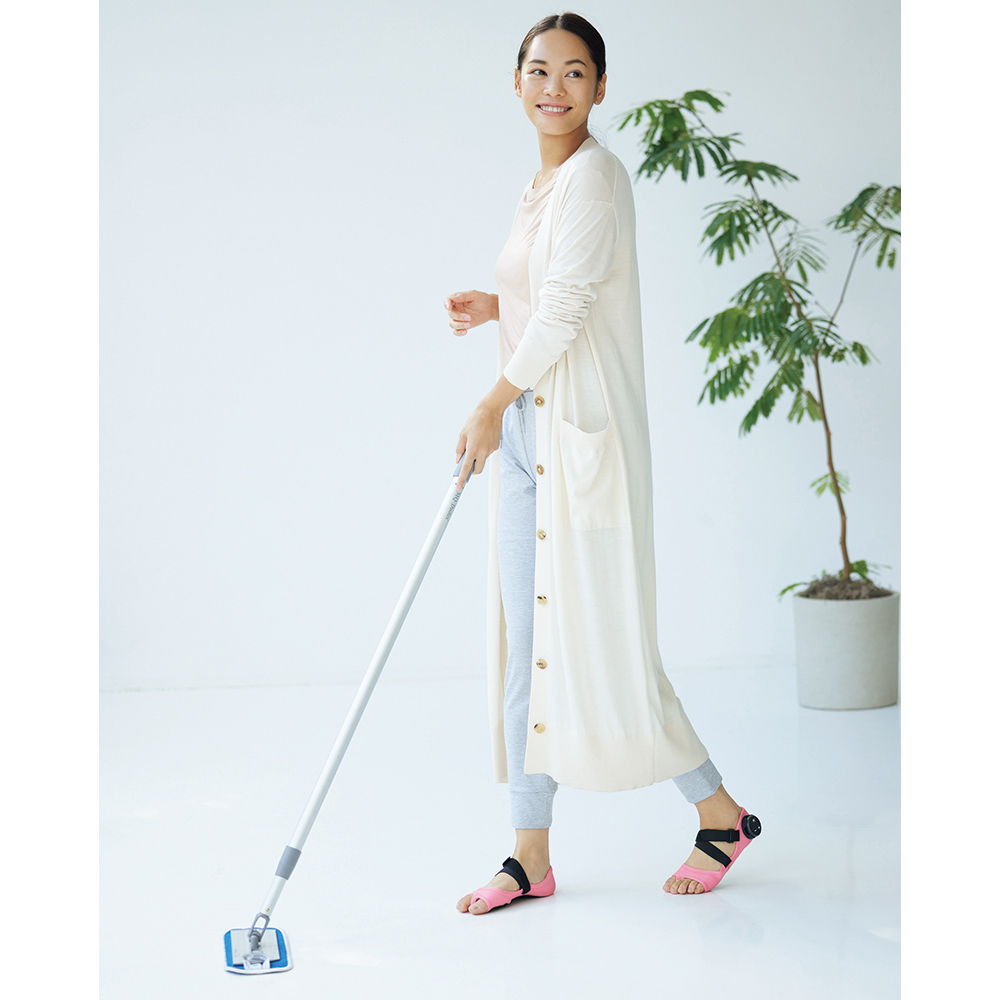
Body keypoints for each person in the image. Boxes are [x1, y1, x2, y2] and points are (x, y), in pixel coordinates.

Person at [443, 12, 761, 915]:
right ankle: (529, 855)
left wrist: (487, 402)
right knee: (526, 651)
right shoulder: (541, 184)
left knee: (608, 645)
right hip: (526, 440)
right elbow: (545, 292)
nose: (555, 87)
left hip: (580, 446)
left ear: (601, 87)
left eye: (575, 72)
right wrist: (495, 302)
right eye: (539, 70)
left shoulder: (597, 176)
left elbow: (570, 308)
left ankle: (721, 815)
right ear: (516, 81)